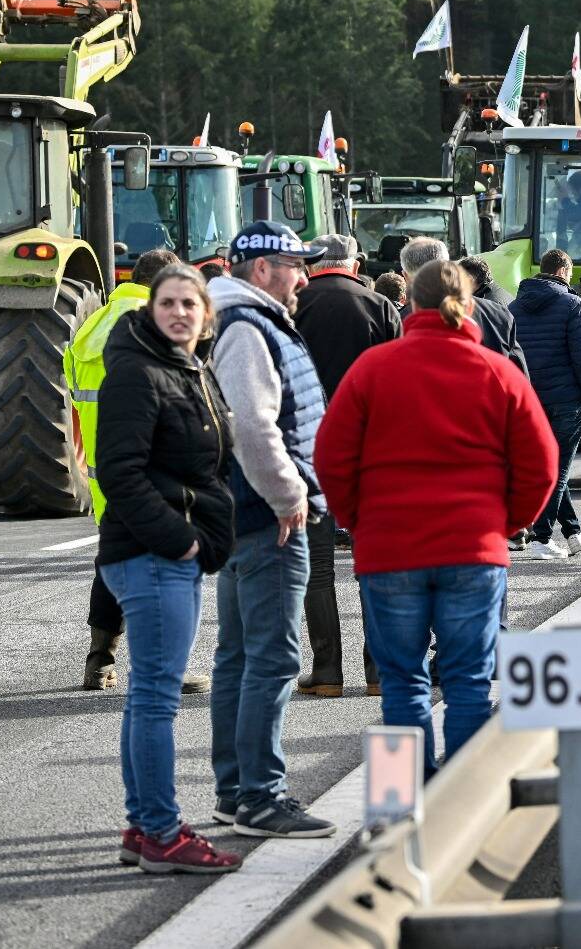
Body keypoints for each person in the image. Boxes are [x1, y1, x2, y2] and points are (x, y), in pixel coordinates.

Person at [317, 259, 558, 776]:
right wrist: (506, 523)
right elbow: (542, 463)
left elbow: (331, 458)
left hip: (388, 551)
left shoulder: (373, 369)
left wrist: (358, 521)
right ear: (470, 306)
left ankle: (403, 809)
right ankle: (462, 809)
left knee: (401, 683)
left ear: (410, 304)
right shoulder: (499, 373)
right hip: (473, 549)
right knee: (469, 680)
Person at [94, 265, 240, 874]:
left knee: (147, 699)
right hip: (151, 558)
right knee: (156, 700)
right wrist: (179, 540)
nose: (180, 312)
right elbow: (118, 473)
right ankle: (160, 831)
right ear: (151, 310)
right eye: (169, 303)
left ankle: (142, 827)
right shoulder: (137, 373)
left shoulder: (189, 368)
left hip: (167, 556)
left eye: (191, 304)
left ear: (207, 316)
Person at [206, 221, 335, 840]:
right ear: (262, 270)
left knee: (239, 656)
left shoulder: (244, 323)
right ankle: (259, 794)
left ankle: (236, 791)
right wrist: (291, 498)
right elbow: (253, 429)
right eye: (295, 265)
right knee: (273, 659)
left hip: (245, 517)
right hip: (268, 520)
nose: (304, 277)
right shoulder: (249, 330)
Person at [69, 247, 204, 694]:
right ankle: (169, 667)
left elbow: (75, 401)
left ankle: (99, 663)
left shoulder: (91, 325)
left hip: (105, 470)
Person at [292, 233, 400, 697]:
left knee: (316, 565)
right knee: (373, 560)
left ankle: (327, 672)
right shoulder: (380, 307)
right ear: (355, 264)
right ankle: (378, 673)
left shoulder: (294, 305)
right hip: (369, 449)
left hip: (310, 446)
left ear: (315, 264)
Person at [509, 249, 581, 560]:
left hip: (531, 399)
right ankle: (542, 537)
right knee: (558, 468)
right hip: (566, 399)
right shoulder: (572, 303)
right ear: (563, 271)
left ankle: (572, 532)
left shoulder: (514, 307)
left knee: (552, 464)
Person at [401, 237, 527, 373]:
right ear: (448, 265)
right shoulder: (498, 315)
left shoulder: (396, 321)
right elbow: (519, 380)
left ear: (406, 276)